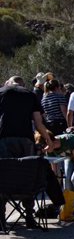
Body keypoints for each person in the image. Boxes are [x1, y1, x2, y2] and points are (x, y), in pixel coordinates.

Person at [0, 76, 55, 229]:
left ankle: (1, 218)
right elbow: (38, 122)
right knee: (27, 176)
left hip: (3, 139)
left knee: (3, 178)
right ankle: (29, 216)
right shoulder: (29, 94)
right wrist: (49, 141)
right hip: (25, 140)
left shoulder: (1, 92)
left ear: (8, 83)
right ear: (22, 84)